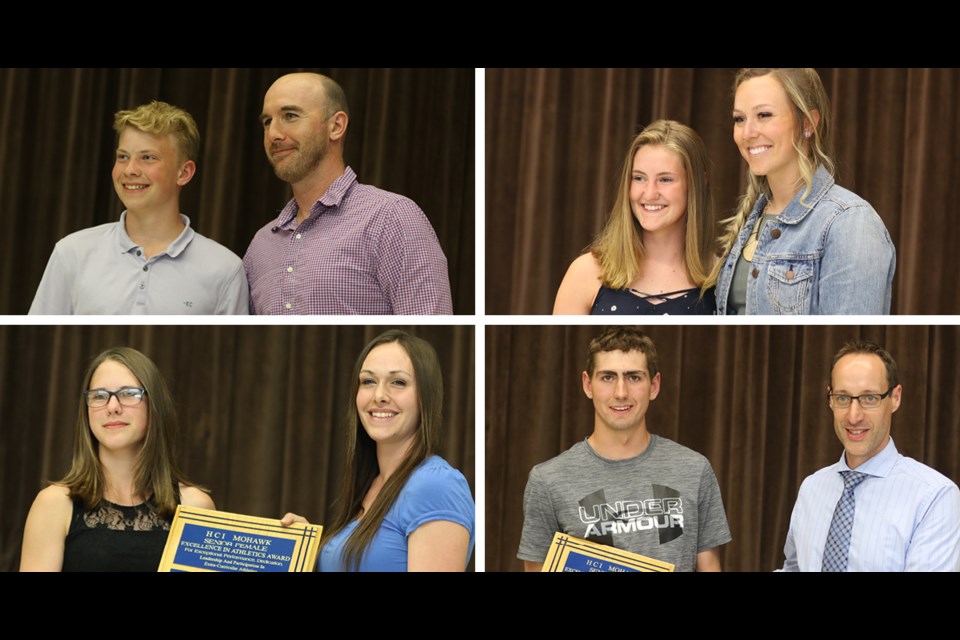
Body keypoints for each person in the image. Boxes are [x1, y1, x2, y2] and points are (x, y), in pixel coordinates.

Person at [518, 327, 731, 572]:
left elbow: (710, 566)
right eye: (608, 377)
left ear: (654, 385)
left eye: (634, 377)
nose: (621, 393)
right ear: (588, 385)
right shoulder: (547, 480)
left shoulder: (695, 469)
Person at [244, 73, 453, 315]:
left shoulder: (392, 218)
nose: (274, 135)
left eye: (290, 116)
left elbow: (426, 321)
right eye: (267, 121)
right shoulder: (260, 246)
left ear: (336, 126)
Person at [29, 101, 249, 315]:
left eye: (147, 157)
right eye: (123, 157)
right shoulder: (71, 253)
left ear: (184, 173)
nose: (130, 170)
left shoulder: (225, 269)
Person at [707, 68, 895, 315]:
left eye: (764, 115)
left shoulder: (850, 222)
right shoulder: (751, 219)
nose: (748, 133)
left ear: (807, 123)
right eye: (739, 119)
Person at [282, 330, 474, 571]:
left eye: (398, 382)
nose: (380, 395)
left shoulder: (436, 484)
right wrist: (306, 549)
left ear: (426, 396)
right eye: (368, 381)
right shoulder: (371, 484)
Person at [20, 347, 215, 571]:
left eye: (129, 394)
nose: (112, 407)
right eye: (99, 396)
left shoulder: (195, 506)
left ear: (155, 405)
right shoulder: (54, 504)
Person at [780, 341, 960, 571]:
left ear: (895, 398)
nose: (854, 416)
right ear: (830, 398)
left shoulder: (935, 498)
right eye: (843, 398)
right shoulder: (811, 488)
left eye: (870, 398)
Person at [553, 120, 718, 315]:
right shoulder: (585, 272)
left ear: (698, 183)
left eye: (665, 179)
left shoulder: (721, 277)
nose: (649, 194)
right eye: (639, 178)